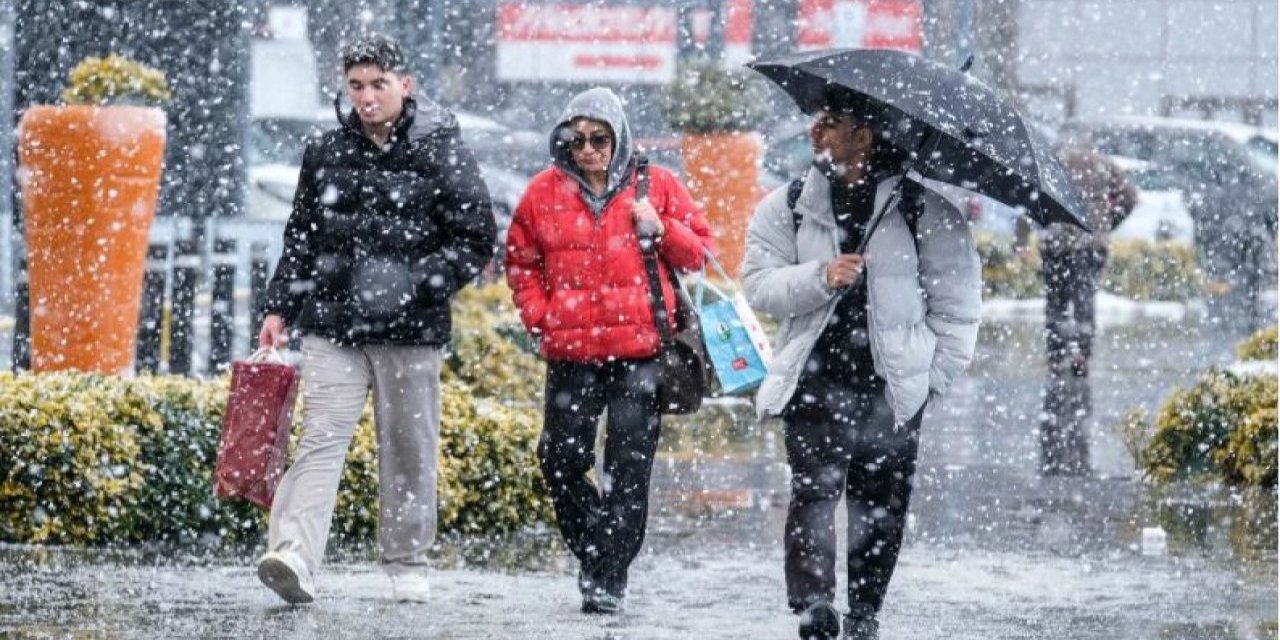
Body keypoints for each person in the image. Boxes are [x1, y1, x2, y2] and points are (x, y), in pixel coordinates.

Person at [254, 33, 495, 604]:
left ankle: (407, 560)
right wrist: (279, 305)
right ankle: (293, 554)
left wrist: (417, 286)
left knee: (409, 446)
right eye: (356, 85)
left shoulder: (441, 146)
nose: (366, 97)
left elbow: (476, 236)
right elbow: (302, 235)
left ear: (404, 85)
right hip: (333, 324)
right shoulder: (325, 148)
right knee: (319, 440)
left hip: (411, 331)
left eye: (378, 85)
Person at [741, 98, 981, 640]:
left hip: (890, 387)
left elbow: (958, 307)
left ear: (864, 135)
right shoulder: (791, 203)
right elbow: (759, 286)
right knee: (814, 493)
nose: (814, 129)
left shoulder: (924, 210)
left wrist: (929, 380)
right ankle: (814, 608)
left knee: (882, 502)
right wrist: (820, 277)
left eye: (830, 122)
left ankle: (866, 609)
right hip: (816, 379)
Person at [504, 87, 714, 614]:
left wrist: (661, 228)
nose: (589, 150)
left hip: (640, 352)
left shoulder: (657, 185)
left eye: (599, 138)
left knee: (629, 467)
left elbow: (701, 254)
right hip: (571, 353)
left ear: (618, 138)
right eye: (577, 140)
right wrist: (540, 316)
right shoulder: (541, 193)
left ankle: (606, 577)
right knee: (559, 459)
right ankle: (601, 553)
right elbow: (521, 262)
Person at [1014, 146, 1136, 475]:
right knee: (1085, 301)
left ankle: (1056, 354)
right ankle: (1081, 353)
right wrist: (1108, 222)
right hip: (1090, 240)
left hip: (1055, 240)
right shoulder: (1103, 162)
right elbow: (1130, 197)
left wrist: (1022, 239)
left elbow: (1027, 200)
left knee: (1055, 301)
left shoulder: (1050, 157)